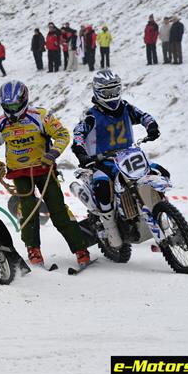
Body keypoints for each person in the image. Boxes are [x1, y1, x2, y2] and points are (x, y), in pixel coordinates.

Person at [0, 81, 90, 266]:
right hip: (19, 173)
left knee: (58, 211)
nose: (12, 110)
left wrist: (53, 153)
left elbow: (63, 135)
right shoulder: (0, 123)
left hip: (44, 170)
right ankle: (33, 250)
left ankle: (80, 248)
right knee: (27, 211)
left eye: (15, 105)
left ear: (24, 100)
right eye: (7, 106)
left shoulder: (40, 116)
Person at [71, 70, 160, 248]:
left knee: (158, 170)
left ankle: (162, 216)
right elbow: (78, 135)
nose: (112, 96)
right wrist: (81, 153)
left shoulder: (126, 107)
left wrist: (152, 127)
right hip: (101, 161)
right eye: (107, 93)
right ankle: (111, 230)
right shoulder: (91, 115)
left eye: (114, 91)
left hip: (128, 155)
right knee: (103, 185)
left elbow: (144, 116)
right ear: (97, 92)